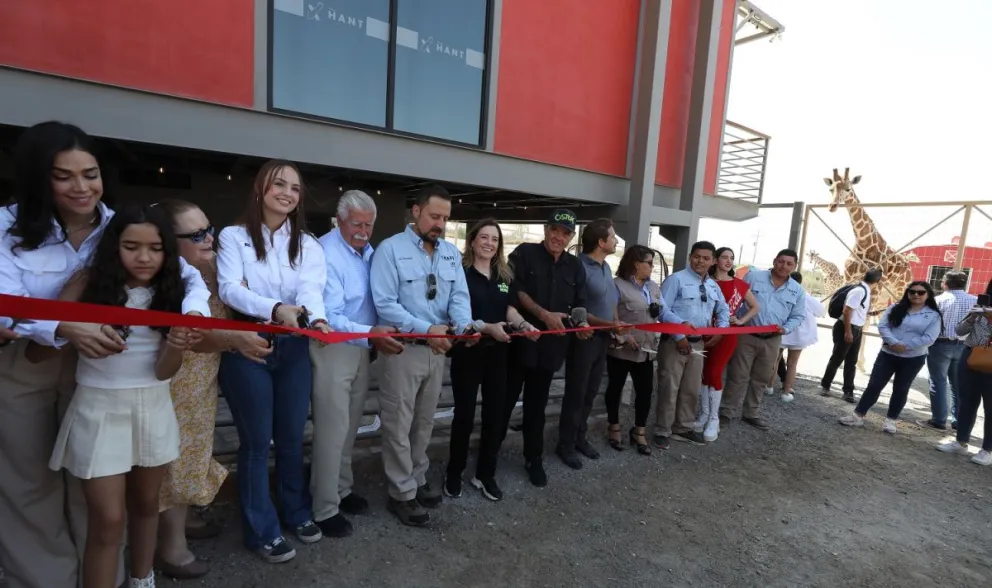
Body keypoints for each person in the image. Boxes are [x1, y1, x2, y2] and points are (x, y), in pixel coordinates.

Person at [0, 121, 210, 588]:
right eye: (64, 175)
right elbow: (6, 301)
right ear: (39, 177)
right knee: (28, 483)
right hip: (28, 364)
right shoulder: (6, 227)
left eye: (90, 173)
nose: (81, 187)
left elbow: (185, 277)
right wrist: (61, 325)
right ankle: (43, 578)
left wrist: (190, 316)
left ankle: (107, 578)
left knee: (93, 496)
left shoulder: (119, 224)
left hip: (102, 370)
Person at [48, 204, 195, 588]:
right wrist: (69, 328)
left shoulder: (172, 291)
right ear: (115, 246)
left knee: (147, 506)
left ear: (167, 251)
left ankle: (141, 580)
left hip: (154, 403)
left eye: (155, 248)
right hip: (99, 406)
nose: (144, 257)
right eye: (132, 246)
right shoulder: (87, 283)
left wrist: (176, 346)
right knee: (109, 519)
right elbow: (42, 340)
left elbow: (164, 370)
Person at [216, 160, 331, 562]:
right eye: (278, 184)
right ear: (259, 189)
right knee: (255, 442)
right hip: (248, 343)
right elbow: (230, 289)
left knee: (290, 437)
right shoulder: (233, 237)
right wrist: (276, 306)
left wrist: (316, 318)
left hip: (295, 345)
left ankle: (296, 512)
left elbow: (311, 288)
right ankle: (261, 529)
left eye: (295, 188)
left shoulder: (309, 243)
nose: (287, 193)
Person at [155, 200, 273, 579]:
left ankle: (184, 522)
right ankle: (172, 549)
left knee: (193, 452)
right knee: (178, 461)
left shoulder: (213, 267)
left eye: (209, 228)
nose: (209, 237)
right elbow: (190, 338)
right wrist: (235, 340)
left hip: (203, 380)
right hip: (177, 381)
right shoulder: (169, 279)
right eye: (196, 234)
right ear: (169, 243)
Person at [369, 184, 474, 526]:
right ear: (415, 212)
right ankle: (401, 492)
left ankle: (416, 475)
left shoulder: (450, 253)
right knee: (399, 423)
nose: (440, 223)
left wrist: (462, 326)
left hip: (438, 350)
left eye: (445, 217)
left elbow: (459, 295)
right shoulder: (390, 250)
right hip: (403, 350)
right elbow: (384, 303)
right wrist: (425, 329)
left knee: (424, 421)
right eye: (434, 216)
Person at [310, 190, 404, 538]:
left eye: (368, 224)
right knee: (332, 431)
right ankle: (323, 507)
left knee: (349, 427)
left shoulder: (369, 252)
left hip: (363, 346)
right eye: (356, 224)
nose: (363, 231)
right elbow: (330, 315)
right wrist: (371, 333)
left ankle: (341, 489)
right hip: (333, 347)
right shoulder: (325, 252)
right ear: (339, 221)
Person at [445, 218, 540, 501]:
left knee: (495, 415)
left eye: (495, 239)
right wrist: (484, 327)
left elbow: (509, 310)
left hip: (499, 353)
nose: (489, 243)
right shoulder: (460, 272)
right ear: (472, 241)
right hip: (468, 352)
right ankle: (454, 472)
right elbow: (454, 311)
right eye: (484, 237)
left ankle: (485, 473)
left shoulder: (503, 275)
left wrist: (524, 326)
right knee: (463, 415)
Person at [502, 209, 588, 487]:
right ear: (545, 229)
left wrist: (582, 324)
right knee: (503, 404)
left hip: (551, 349)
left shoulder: (574, 265)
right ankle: (487, 459)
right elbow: (515, 290)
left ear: (571, 236)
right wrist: (544, 315)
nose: (559, 237)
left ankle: (533, 459)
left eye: (565, 233)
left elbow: (579, 302)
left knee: (536, 407)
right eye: (555, 230)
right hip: (520, 344)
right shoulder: (524, 253)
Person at [557, 218, 626, 469]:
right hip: (584, 339)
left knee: (590, 392)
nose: (616, 241)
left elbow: (611, 304)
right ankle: (565, 444)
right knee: (576, 393)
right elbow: (579, 307)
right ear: (601, 242)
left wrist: (615, 325)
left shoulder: (606, 267)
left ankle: (579, 437)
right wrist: (609, 325)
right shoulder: (579, 267)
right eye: (613, 236)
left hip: (603, 339)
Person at [719, 249, 806, 431]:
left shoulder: (797, 290)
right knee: (737, 375)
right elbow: (737, 299)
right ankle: (726, 412)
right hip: (746, 335)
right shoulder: (754, 277)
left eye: (789, 264)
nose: (784, 266)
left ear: (794, 266)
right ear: (775, 261)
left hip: (773, 339)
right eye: (781, 261)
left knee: (761, 377)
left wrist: (786, 328)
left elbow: (797, 316)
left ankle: (751, 413)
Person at [838, 282, 942, 434]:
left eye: (921, 292)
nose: (916, 295)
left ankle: (891, 420)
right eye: (912, 291)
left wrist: (905, 345)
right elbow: (883, 326)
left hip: (913, 358)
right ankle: (858, 415)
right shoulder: (895, 308)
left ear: (928, 295)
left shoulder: (933, 315)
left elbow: (930, 337)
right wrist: (894, 343)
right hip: (888, 354)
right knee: (874, 385)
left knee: (901, 389)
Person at [654, 241, 730, 448]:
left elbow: (723, 310)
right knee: (669, 387)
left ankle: (683, 427)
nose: (700, 261)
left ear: (713, 261)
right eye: (697, 256)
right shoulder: (676, 280)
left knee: (691, 388)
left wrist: (720, 331)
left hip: (698, 345)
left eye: (706, 258)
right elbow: (662, 309)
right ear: (690, 257)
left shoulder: (713, 285)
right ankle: (662, 430)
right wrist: (680, 335)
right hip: (674, 342)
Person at [604, 245, 670, 455]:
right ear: (636, 264)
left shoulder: (653, 287)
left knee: (645, 392)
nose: (652, 267)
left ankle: (638, 431)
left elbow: (665, 312)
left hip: (646, 351)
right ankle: (614, 427)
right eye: (649, 263)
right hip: (621, 350)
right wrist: (624, 336)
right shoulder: (616, 286)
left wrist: (683, 326)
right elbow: (610, 317)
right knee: (615, 388)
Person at [698, 247, 760, 442]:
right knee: (703, 373)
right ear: (715, 260)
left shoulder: (739, 285)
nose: (728, 261)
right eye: (724, 257)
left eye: (731, 258)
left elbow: (755, 307)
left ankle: (714, 418)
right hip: (704, 331)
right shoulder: (705, 282)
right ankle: (704, 414)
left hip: (726, 335)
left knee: (715, 372)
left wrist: (741, 321)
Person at [936, 278, 992, 466]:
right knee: (966, 401)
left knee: (990, 407)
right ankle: (961, 441)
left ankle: (987, 450)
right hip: (969, 356)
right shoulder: (980, 307)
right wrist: (973, 316)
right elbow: (959, 330)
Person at [918, 270, 976, 431]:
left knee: (938, 381)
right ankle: (958, 421)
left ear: (945, 283)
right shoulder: (976, 301)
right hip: (965, 346)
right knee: (958, 385)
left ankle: (939, 420)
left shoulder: (937, 301)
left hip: (940, 345)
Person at [820, 268, 883, 403]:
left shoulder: (864, 290)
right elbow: (847, 311)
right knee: (838, 358)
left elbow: (856, 311)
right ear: (877, 281)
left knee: (851, 361)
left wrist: (870, 313)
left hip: (855, 329)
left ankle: (848, 391)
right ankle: (825, 386)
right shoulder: (859, 291)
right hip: (847, 328)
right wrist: (848, 331)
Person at [775, 272, 826, 402]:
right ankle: (786, 392)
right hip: (799, 336)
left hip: (782, 332)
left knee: (775, 361)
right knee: (792, 363)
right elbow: (821, 311)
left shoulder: (781, 292)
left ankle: (769, 386)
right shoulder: (806, 295)